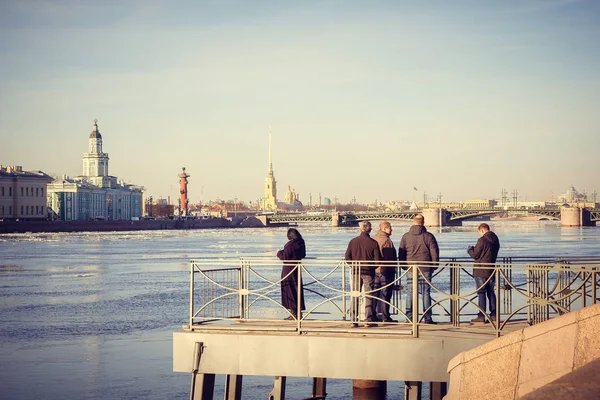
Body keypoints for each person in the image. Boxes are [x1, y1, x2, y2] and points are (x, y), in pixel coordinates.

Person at [398, 214, 439, 324]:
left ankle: (409, 317)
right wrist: (434, 265)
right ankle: (427, 318)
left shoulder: (406, 236)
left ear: (413, 221)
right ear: (423, 222)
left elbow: (401, 252)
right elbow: (434, 251)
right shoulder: (429, 236)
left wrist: (404, 266)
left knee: (410, 292)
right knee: (426, 292)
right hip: (425, 267)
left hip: (410, 267)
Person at [345, 221, 382, 327]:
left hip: (356, 271)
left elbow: (347, 257)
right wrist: (372, 267)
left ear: (360, 229)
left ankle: (353, 320)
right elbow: (377, 260)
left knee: (355, 295)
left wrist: (353, 266)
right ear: (370, 230)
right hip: (368, 272)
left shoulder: (353, 241)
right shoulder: (373, 243)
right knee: (369, 295)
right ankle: (368, 319)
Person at [467, 223, 501, 323]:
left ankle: (481, 316)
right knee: (491, 292)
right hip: (491, 269)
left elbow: (475, 255)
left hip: (481, 270)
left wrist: (470, 249)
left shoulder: (481, 240)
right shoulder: (495, 240)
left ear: (482, 230)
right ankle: (494, 315)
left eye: (479, 232)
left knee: (481, 293)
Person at [277, 228, 306, 320]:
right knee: (297, 289)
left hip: (288, 270)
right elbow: (303, 255)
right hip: (297, 268)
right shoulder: (301, 242)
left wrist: (279, 253)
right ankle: (299, 313)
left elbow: (284, 258)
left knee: (289, 290)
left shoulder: (289, 245)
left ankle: (293, 313)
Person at [373, 220, 398, 322]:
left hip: (374, 271)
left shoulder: (373, 238)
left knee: (374, 295)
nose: (391, 229)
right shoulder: (386, 241)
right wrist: (393, 268)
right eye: (390, 228)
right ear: (384, 229)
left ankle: (372, 316)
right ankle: (385, 316)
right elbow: (389, 257)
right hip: (384, 271)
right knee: (385, 295)